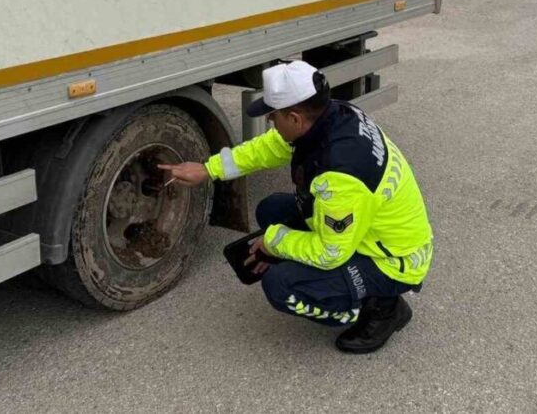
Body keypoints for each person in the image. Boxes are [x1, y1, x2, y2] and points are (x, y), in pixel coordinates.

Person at [160, 60, 433, 353]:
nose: (269, 122)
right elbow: (269, 148)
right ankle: (349, 286)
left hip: (393, 259)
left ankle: (383, 309)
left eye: (273, 116)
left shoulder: (340, 174)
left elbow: (331, 253)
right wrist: (208, 169)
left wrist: (274, 242)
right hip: (366, 230)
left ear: (294, 118)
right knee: (271, 210)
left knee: (280, 286)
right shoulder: (333, 116)